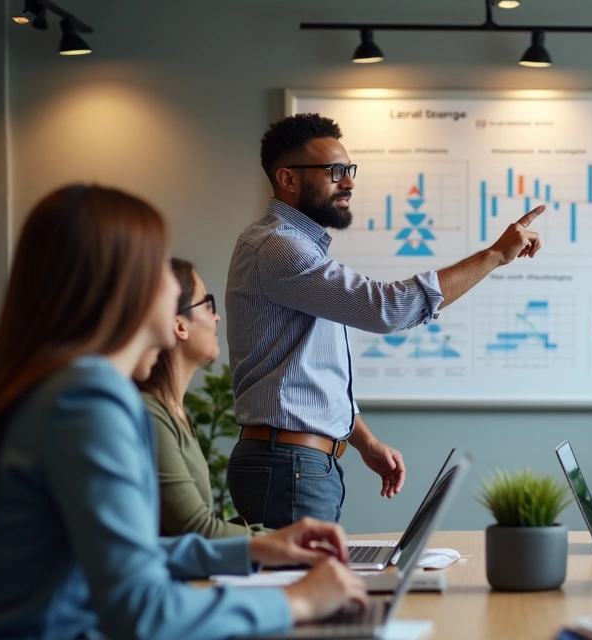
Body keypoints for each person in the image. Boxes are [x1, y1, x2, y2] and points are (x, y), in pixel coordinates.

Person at [0, 185, 368, 640]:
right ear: (123, 286)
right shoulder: (86, 401)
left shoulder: (61, 389)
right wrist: (297, 601)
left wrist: (256, 548)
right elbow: (142, 612)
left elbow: (132, 554)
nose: (173, 282)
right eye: (161, 266)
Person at [227, 113, 546, 528]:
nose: (349, 182)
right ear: (287, 179)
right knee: (300, 590)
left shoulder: (295, 246)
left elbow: (304, 373)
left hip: (298, 461)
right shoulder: (279, 248)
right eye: (335, 171)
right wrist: (493, 256)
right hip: (289, 465)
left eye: (349, 170)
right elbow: (384, 309)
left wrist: (364, 441)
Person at [137, 258, 270, 538]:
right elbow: (196, 529)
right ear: (179, 325)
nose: (216, 317)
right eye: (208, 305)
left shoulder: (172, 412)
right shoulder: (150, 414)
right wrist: (281, 541)